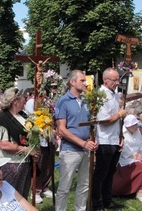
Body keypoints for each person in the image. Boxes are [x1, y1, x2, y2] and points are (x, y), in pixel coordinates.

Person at [53, 70, 96, 211]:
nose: (85, 83)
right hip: (71, 150)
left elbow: (89, 124)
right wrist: (82, 142)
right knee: (65, 187)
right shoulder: (63, 101)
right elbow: (61, 129)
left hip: (86, 149)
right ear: (72, 82)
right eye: (82, 80)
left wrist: (92, 139)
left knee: (84, 185)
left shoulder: (85, 101)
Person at [0, 87, 38, 200]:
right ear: (15, 101)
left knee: (21, 195)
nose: (25, 100)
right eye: (22, 98)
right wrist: (26, 149)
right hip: (9, 164)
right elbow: (3, 144)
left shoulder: (23, 115)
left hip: (24, 162)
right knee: (9, 196)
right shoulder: (2, 119)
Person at [91, 68, 126, 211]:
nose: (117, 83)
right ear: (105, 80)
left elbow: (118, 120)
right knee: (101, 174)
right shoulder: (101, 96)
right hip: (104, 140)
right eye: (114, 80)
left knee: (110, 173)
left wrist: (121, 136)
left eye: (118, 80)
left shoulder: (115, 95)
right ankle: (97, 204)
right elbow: (104, 120)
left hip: (115, 139)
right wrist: (120, 114)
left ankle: (107, 200)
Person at [112, 115, 142, 205]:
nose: (137, 127)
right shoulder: (121, 132)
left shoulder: (137, 131)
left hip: (138, 156)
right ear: (129, 126)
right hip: (125, 158)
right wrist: (132, 156)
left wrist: (140, 152)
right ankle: (140, 193)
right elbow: (121, 147)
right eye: (134, 125)